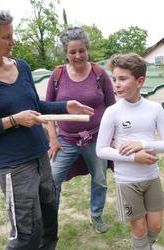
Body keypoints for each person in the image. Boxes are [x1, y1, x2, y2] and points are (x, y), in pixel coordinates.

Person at [0, 8, 94, 250]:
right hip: (13, 165)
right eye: (6, 37)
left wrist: (65, 105)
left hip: (40, 155)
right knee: (26, 233)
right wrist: (13, 120)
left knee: (49, 221)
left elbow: (35, 105)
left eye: (12, 35)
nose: (13, 42)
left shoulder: (22, 66)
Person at [96, 53, 164, 250]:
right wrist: (134, 157)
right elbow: (101, 150)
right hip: (127, 181)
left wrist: (142, 143)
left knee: (156, 226)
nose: (117, 84)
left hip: (151, 178)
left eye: (123, 79)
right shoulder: (112, 112)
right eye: (115, 79)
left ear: (140, 81)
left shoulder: (155, 109)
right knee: (139, 230)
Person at [45, 27, 115, 234]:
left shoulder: (99, 74)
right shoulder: (57, 75)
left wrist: (111, 137)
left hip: (96, 139)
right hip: (65, 140)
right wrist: (53, 139)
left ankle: (96, 216)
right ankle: (50, 223)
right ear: (66, 53)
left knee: (100, 180)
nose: (77, 56)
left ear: (87, 50)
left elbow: (112, 108)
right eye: (72, 52)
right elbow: (47, 109)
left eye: (81, 51)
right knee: (52, 181)